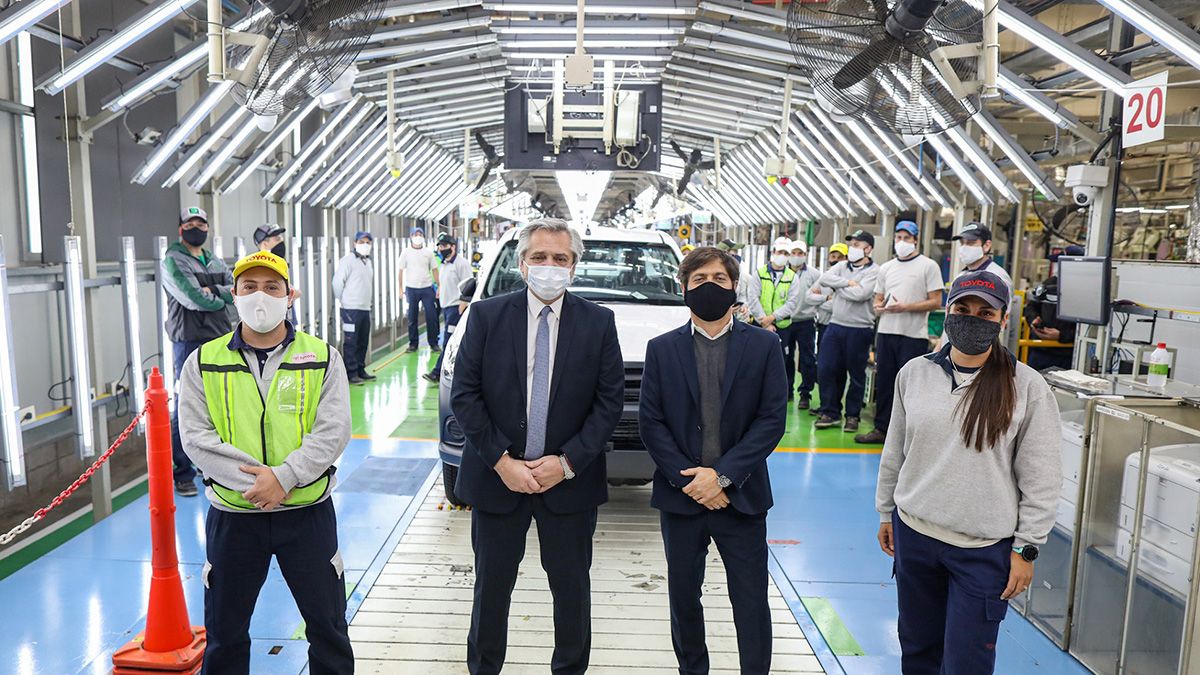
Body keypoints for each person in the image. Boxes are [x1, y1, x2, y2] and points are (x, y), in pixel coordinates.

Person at [449, 218, 624, 675]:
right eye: (540, 257)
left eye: (560, 259)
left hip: (568, 483)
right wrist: (501, 461)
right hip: (497, 479)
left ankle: (570, 669)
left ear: (574, 266)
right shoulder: (486, 316)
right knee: (491, 588)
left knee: (571, 589)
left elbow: (608, 405)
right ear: (522, 264)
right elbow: (465, 395)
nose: (550, 266)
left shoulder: (598, 322)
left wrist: (567, 463)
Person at [875, 270, 1061, 675]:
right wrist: (886, 512)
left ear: (1003, 320)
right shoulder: (914, 373)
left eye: (985, 312)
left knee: (967, 662)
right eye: (963, 308)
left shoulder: (1026, 387)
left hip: (983, 550)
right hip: (915, 535)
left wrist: (1026, 549)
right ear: (948, 311)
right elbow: (895, 451)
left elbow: (1042, 477)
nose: (973, 317)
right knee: (918, 651)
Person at [178, 251, 354, 675]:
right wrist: (260, 484)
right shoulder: (203, 362)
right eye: (250, 287)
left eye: (272, 287)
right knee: (225, 633)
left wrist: (285, 477)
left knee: (328, 627)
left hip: (308, 514)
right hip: (234, 516)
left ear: (290, 295)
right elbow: (197, 439)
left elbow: (333, 430)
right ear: (234, 296)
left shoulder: (322, 357)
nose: (261, 296)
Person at [639, 246, 787, 675]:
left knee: (751, 599)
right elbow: (652, 423)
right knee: (684, 597)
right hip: (681, 497)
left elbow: (771, 420)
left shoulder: (763, 346)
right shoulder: (662, 349)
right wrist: (692, 481)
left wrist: (721, 477)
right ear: (684, 287)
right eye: (699, 279)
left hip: (741, 497)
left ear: (734, 287)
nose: (709, 286)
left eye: (719, 279)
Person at [162, 206, 233, 497]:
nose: (197, 227)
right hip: (189, 341)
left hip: (219, 337)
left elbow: (236, 287)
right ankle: (182, 472)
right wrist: (219, 294)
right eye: (191, 223)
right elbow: (194, 299)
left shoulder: (212, 258)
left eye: (201, 223)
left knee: (219, 403)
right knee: (185, 406)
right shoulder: (173, 260)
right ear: (181, 228)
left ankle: (211, 464)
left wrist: (213, 292)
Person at [855, 220, 944, 444]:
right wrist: (879, 307)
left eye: (906, 238)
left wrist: (906, 307)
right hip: (886, 332)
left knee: (910, 385)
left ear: (915, 240)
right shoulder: (886, 268)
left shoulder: (928, 266)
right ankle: (882, 428)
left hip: (913, 335)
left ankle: (909, 433)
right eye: (898, 238)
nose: (901, 242)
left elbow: (936, 301)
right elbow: (878, 298)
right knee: (885, 383)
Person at [813, 231, 879, 432]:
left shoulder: (875, 271)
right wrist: (846, 283)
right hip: (835, 326)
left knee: (856, 374)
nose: (853, 248)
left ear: (868, 249)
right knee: (826, 369)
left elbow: (861, 294)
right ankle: (830, 412)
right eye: (852, 244)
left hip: (859, 329)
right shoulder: (841, 266)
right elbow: (825, 278)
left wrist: (839, 287)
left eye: (858, 244)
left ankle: (852, 415)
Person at [747, 237, 802, 396]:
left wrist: (772, 318)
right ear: (773, 253)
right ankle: (755, 392)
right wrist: (763, 321)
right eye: (780, 252)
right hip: (759, 325)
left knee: (782, 361)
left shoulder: (792, 277)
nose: (782, 255)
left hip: (782, 326)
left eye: (786, 253)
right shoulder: (759, 273)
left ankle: (781, 393)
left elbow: (792, 303)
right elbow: (753, 298)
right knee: (756, 359)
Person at [1024, 245, 1083, 371]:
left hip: (1066, 355)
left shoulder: (1084, 290)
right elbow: (1031, 307)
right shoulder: (1050, 283)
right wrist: (1033, 320)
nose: (1057, 266)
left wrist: (1061, 336)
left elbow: (1087, 328)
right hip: (1040, 351)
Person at [805, 243, 847, 416]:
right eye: (833, 256)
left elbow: (837, 306)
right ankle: (826, 406)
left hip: (841, 327)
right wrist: (827, 297)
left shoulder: (847, 279)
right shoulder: (825, 277)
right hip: (823, 328)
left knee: (838, 370)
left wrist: (825, 301)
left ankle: (834, 407)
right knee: (824, 368)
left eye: (839, 257)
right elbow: (808, 297)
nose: (835, 260)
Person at [423, 233, 473, 383]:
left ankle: (438, 372)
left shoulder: (461, 263)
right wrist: (440, 290)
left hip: (456, 308)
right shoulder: (444, 264)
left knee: (449, 341)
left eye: (444, 246)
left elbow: (469, 283)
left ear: (453, 247)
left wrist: (464, 302)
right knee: (452, 341)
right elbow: (444, 282)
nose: (441, 248)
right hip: (446, 308)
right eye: (439, 246)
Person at [332, 232, 375, 385]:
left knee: (363, 340)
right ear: (354, 243)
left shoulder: (367, 262)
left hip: (365, 307)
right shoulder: (347, 261)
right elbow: (337, 283)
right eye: (362, 241)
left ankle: (360, 369)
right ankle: (351, 373)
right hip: (350, 308)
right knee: (351, 341)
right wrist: (343, 301)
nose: (365, 244)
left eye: (368, 242)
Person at [786, 240, 822, 410]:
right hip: (784, 320)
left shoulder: (814, 274)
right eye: (794, 253)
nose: (797, 256)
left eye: (800, 253)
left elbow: (822, 294)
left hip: (806, 321)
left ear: (805, 255)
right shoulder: (782, 272)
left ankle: (805, 393)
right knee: (785, 357)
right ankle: (786, 390)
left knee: (807, 358)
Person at [399, 227, 441, 353]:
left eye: (420, 234)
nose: (418, 236)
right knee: (412, 317)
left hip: (427, 288)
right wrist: (400, 289)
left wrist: (439, 286)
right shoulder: (405, 252)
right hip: (411, 288)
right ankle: (413, 344)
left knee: (431, 316)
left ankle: (433, 343)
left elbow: (434, 269)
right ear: (411, 236)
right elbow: (400, 271)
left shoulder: (428, 253)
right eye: (415, 234)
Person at [952, 222, 1013, 292]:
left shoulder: (997, 277)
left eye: (971, 242)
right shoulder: (960, 277)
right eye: (962, 243)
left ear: (987, 246)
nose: (964, 247)